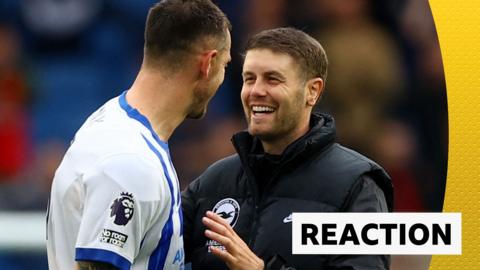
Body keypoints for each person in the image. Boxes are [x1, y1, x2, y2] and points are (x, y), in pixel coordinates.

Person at [182, 27, 393, 270]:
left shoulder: (356, 185)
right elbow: (147, 242)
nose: (256, 91)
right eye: (249, 78)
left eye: (273, 79)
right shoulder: (215, 181)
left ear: (312, 91)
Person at [46, 0, 231, 269]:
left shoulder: (113, 119)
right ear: (208, 63)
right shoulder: (130, 160)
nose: (222, 76)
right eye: (225, 65)